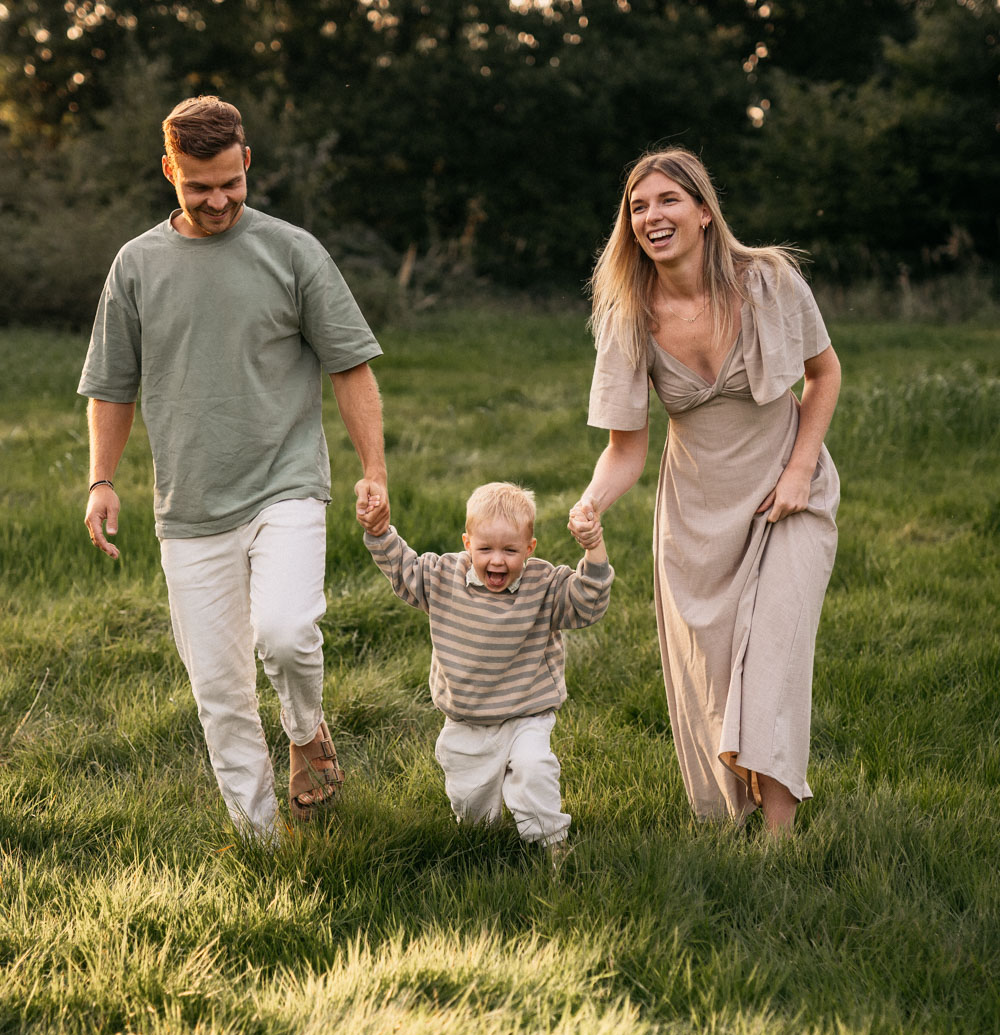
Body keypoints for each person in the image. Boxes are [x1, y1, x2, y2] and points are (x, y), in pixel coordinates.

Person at [79, 95, 389, 842]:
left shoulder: (292, 252)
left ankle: (306, 732)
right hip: (187, 505)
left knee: (285, 633)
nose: (217, 200)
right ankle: (263, 844)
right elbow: (111, 384)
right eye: (198, 186)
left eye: (229, 182)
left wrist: (373, 468)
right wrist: (101, 479)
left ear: (246, 162)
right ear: (169, 173)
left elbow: (350, 366)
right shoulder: (138, 265)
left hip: (285, 481)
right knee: (218, 690)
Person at [569, 147, 840, 835]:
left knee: (773, 658)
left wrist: (801, 471)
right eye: (638, 206)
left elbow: (825, 374)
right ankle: (741, 811)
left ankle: (782, 845)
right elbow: (625, 451)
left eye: (667, 200)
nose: (652, 217)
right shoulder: (629, 318)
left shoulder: (771, 283)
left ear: (703, 211)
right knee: (719, 680)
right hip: (696, 518)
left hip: (788, 493)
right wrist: (592, 502)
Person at [357, 481, 613, 857]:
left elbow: (587, 603)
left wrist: (593, 549)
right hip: (467, 719)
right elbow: (403, 568)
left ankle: (553, 845)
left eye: (510, 550)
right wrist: (379, 531)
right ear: (467, 543)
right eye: (485, 549)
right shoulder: (443, 578)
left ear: (530, 548)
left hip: (527, 712)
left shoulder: (543, 585)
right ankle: (482, 846)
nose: (497, 561)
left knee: (534, 770)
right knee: (474, 811)